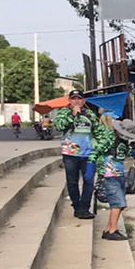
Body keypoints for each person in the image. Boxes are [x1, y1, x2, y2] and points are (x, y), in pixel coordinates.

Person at [92, 116, 135, 243]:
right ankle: (112, 230)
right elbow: (96, 151)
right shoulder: (109, 139)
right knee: (118, 202)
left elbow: (128, 152)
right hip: (110, 175)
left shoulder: (123, 143)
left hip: (119, 173)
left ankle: (109, 228)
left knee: (119, 203)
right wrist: (92, 166)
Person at [53, 89, 98, 217]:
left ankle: (84, 208)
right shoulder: (64, 113)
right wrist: (73, 115)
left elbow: (97, 130)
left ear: (83, 101)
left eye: (79, 99)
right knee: (72, 182)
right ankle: (77, 206)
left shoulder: (90, 114)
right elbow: (59, 126)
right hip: (70, 154)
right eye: (74, 99)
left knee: (89, 180)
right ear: (70, 101)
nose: (76, 101)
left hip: (88, 154)